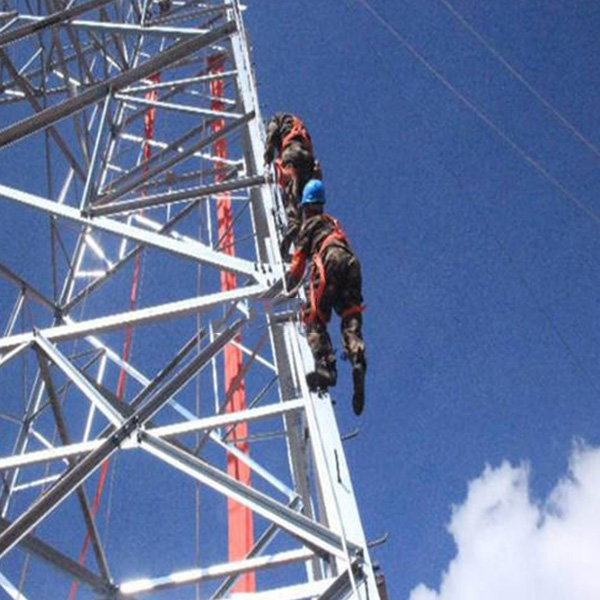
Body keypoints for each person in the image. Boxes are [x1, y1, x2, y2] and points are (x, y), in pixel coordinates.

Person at [285, 179, 367, 415]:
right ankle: (357, 359)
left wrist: (290, 281)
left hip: (328, 258)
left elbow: (299, 260)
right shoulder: (332, 222)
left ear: (306, 206)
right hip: (350, 261)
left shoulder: (309, 225)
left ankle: (326, 366)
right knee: (350, 317)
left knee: (314, 317)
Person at [263, 113, 322, 256]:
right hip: (308, 162)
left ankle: (293, 226)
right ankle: (310, 240)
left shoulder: (278, 119)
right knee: (306, 201)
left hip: (292, 154)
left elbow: (272, 135)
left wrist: (267, 157)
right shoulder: (299, 125)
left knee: (291, 196)